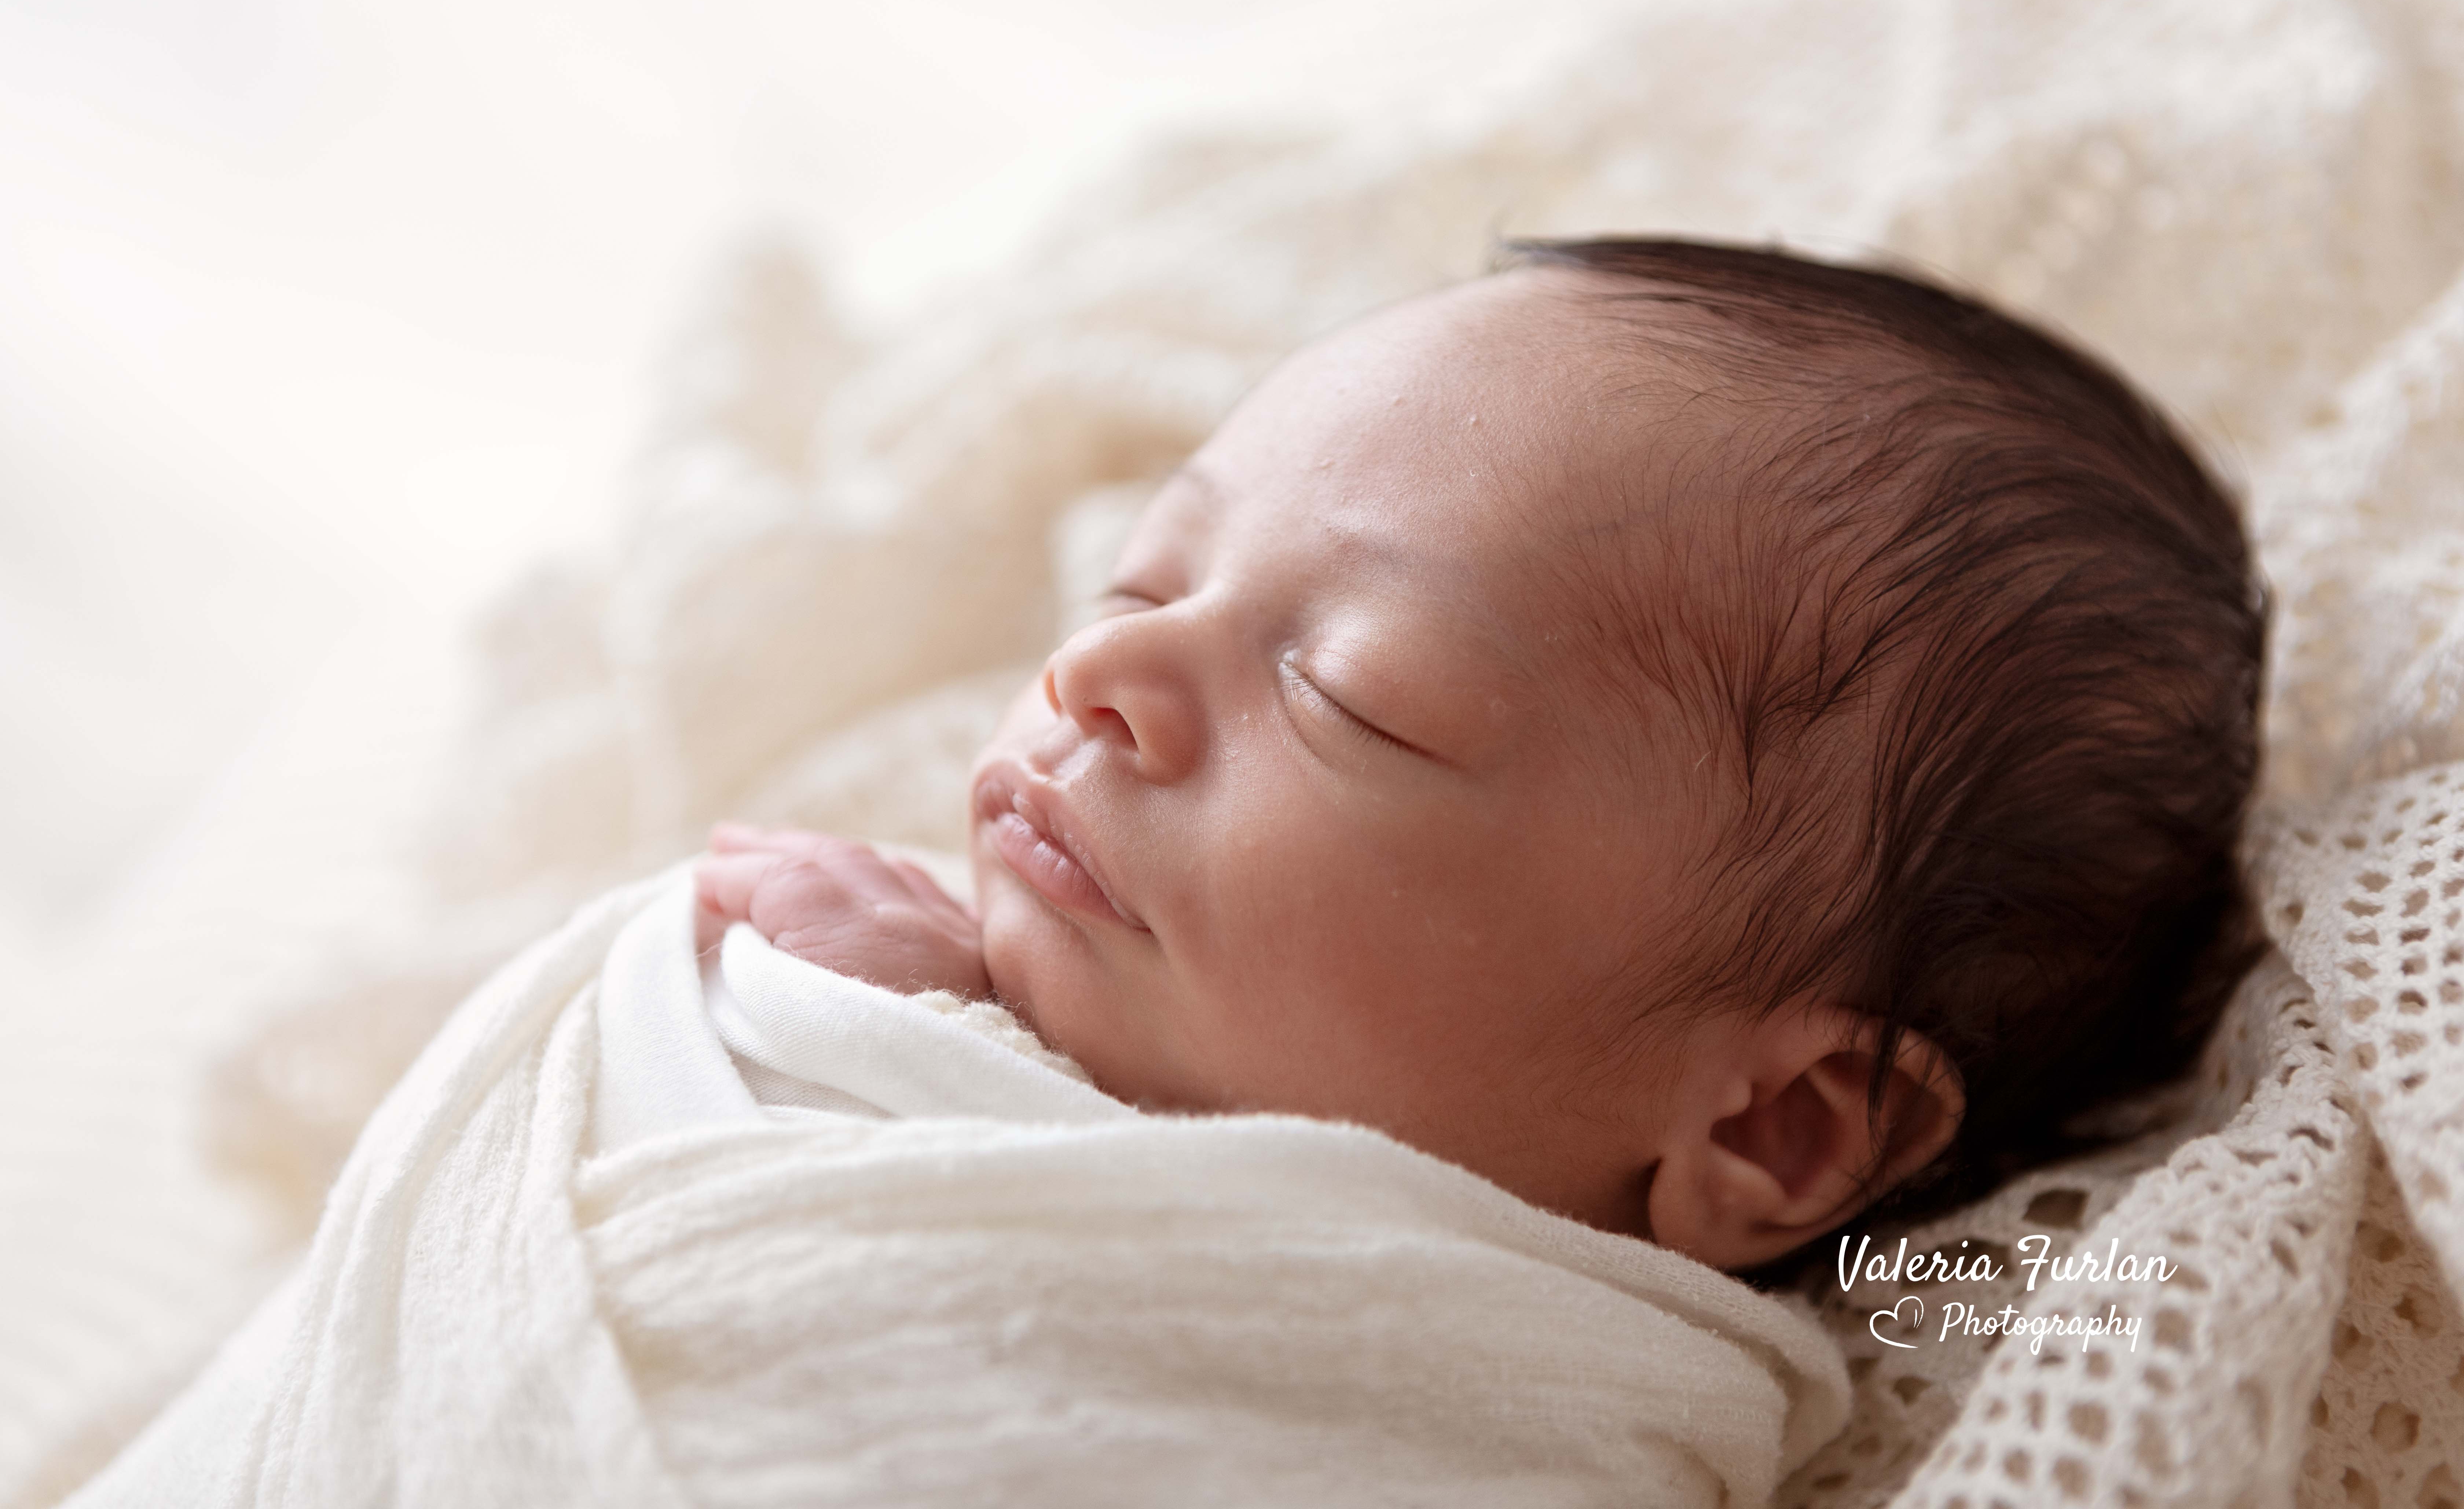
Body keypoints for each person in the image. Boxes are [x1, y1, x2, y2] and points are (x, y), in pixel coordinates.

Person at [694, 236, 2266, 1273]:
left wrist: (878, 1060)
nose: (1099, 673)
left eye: (1348, 693)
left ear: (1768, 1125)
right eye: (1148, 578)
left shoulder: (1519, 1382)